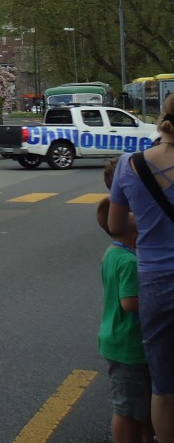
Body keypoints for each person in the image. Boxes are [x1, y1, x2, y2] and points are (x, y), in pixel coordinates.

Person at [109, 92, 174, 442]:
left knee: (164, 386)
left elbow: (117, 226)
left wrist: (146, 218)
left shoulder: (130, 164)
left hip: (156, 282)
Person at [97, 176, 155, 442]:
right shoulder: (129, 261)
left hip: (119, 340)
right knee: (127, 408)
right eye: (130, 211)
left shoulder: (113, 253)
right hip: (127, 344)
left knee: (140, 404)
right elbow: (130, 302)